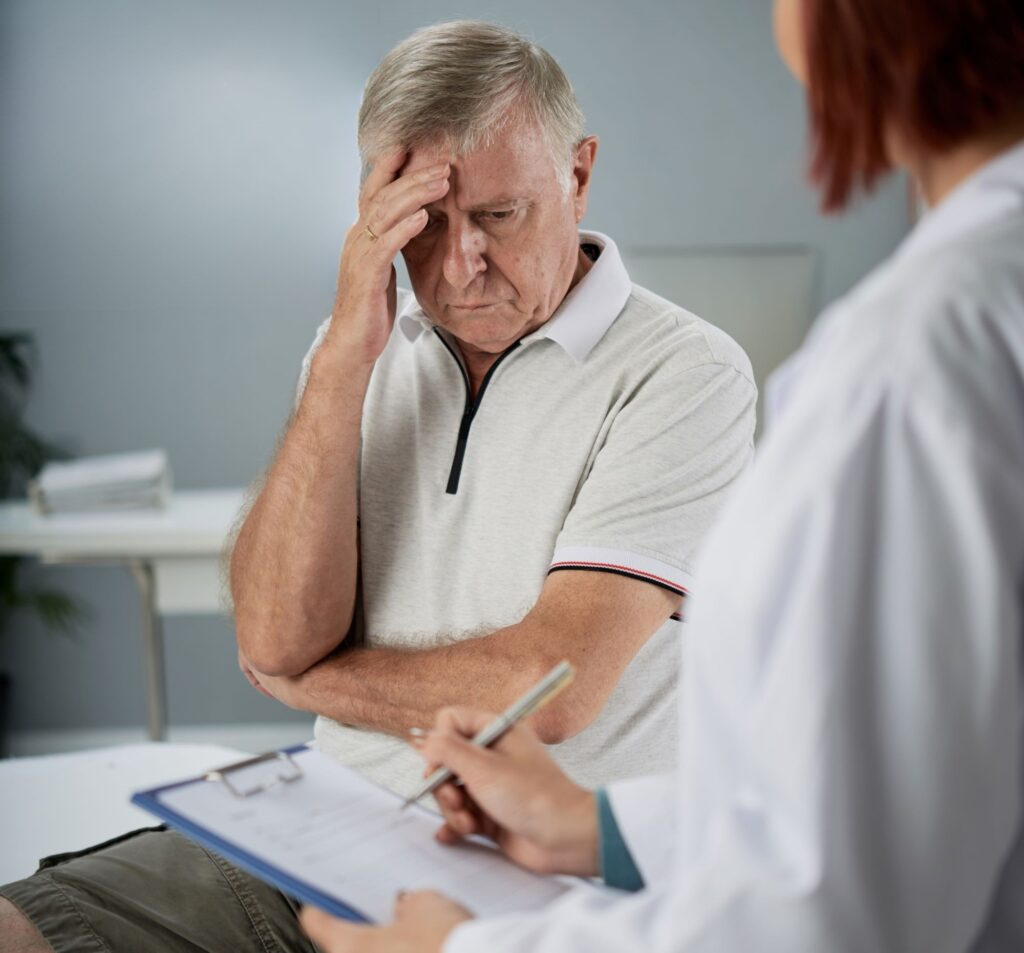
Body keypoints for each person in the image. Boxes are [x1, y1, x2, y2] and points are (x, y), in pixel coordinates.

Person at [0, 22, 756, 953]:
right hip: (310, 844)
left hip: (537, 887)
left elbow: (546, 689)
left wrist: (316, 681)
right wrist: (343, 356)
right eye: (424, 225)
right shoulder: (355, 353)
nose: (462, 260)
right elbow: (273, 633)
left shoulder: (687, 374)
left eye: (501, 214)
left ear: (580, 173)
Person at [298, 1, 1024, 950]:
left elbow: (829, 912)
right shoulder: (977, 311)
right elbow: (900, 802)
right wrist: (603, 829)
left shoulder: (918, 359)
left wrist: (452, 951)